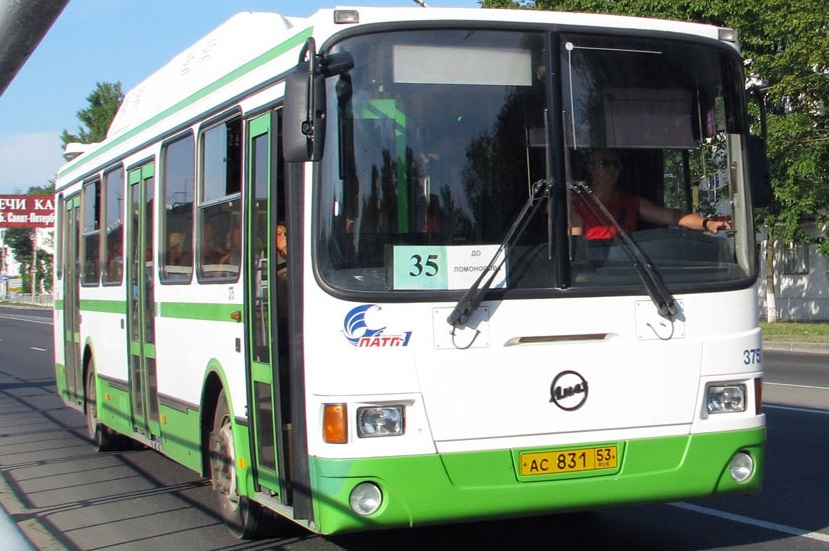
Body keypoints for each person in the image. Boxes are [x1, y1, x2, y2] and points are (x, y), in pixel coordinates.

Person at [571, 149, 731, 240]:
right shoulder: (575, 205)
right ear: (590, 168)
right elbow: (574, 251)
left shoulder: (629, 202)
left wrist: (707, 224)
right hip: (592, 278)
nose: (612, 169)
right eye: (605, 164)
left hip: (627, 271)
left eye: (616, 165)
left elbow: (673, 216)